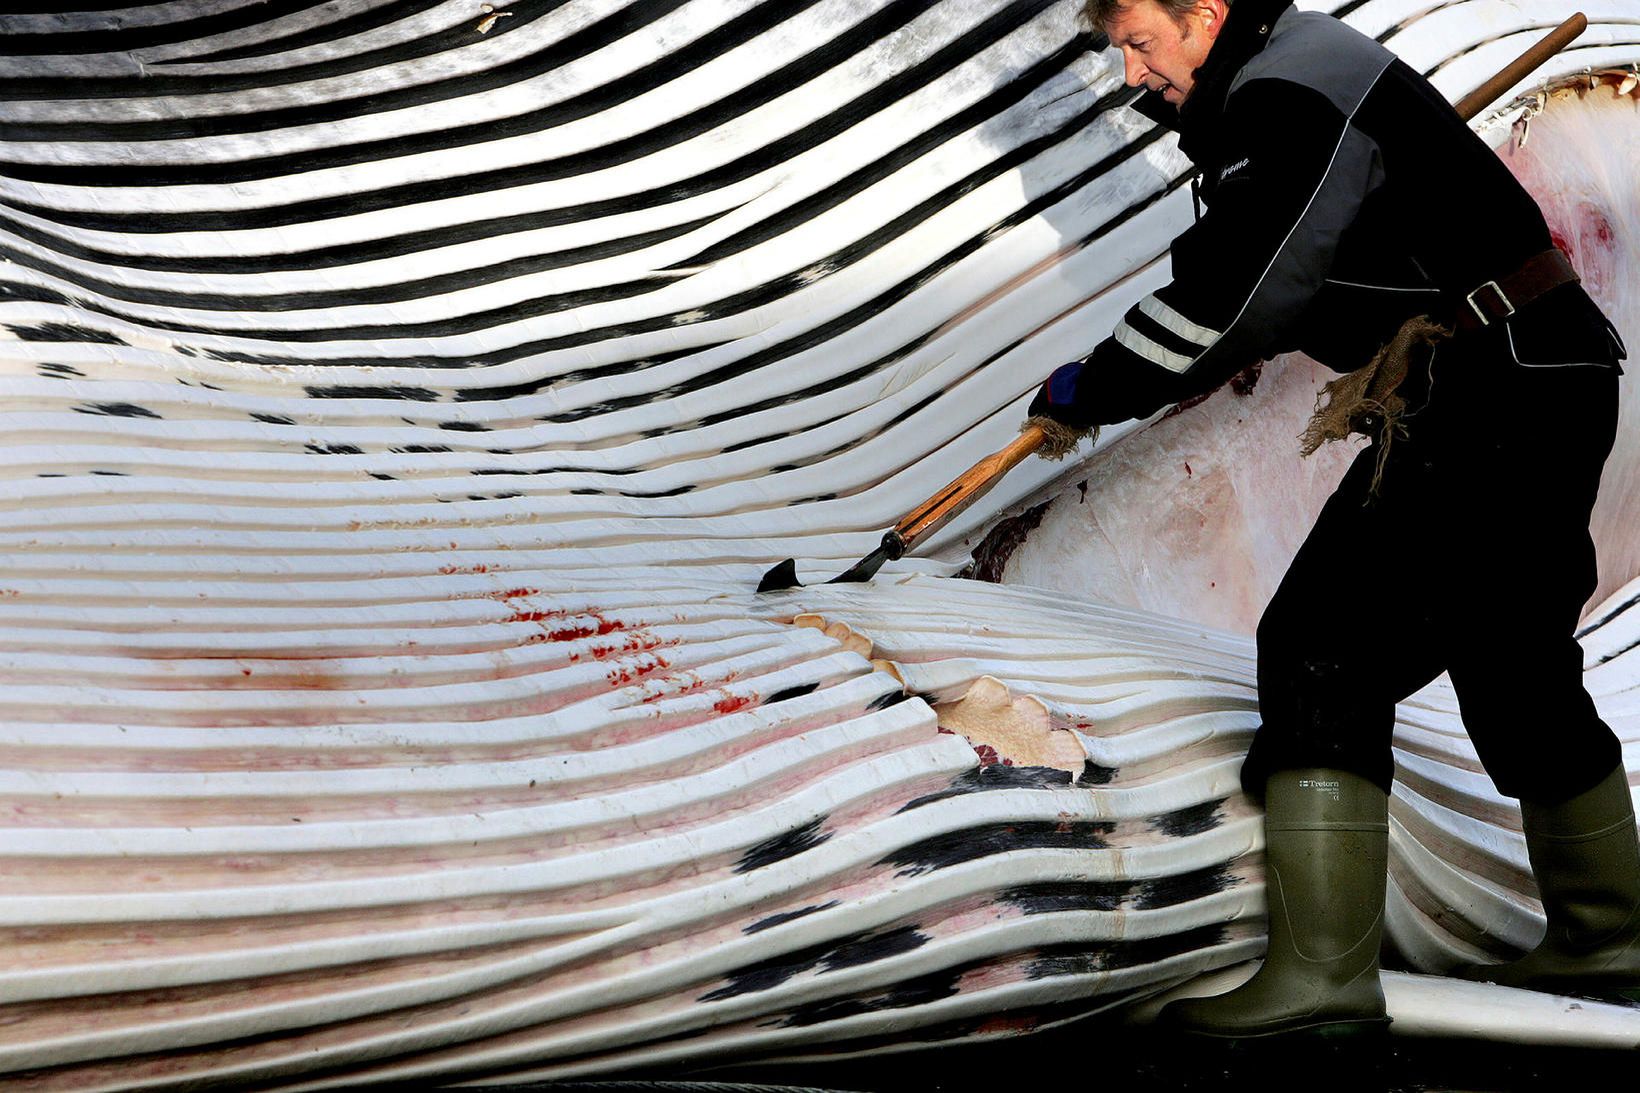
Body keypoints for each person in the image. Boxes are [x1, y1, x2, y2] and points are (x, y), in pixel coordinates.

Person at [1026, 0, 1636, 1039]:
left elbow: (1250, 282)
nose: (1132, 75)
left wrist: (1099, 383)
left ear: (1205, 14)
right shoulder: (1294, 79)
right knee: (1509, 659)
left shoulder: (1288, 88)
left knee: (1321, 650)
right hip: (1534, 369)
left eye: (1139, 42)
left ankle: (1321, 978)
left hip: (1494, 384)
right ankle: (1608, 933)